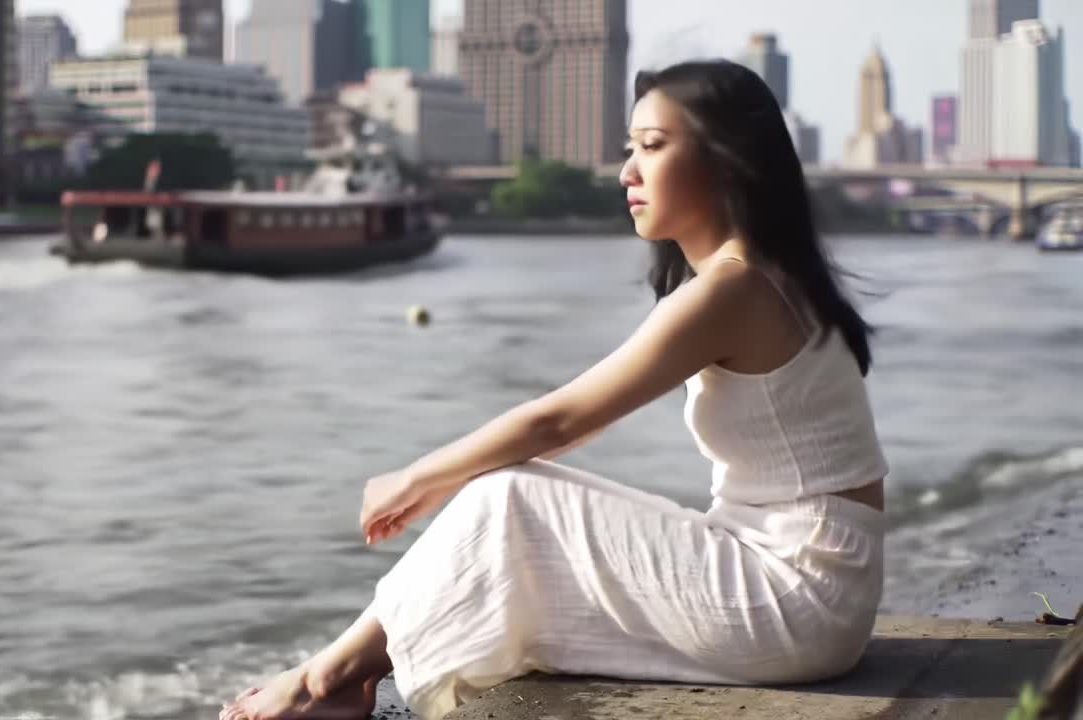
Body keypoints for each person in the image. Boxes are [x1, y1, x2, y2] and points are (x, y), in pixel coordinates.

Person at [220, 59, 889, 720]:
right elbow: (574, 428)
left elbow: (559, 422)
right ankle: (343, 672)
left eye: (652, 146)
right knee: (518, 501)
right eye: (630, 148)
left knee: (509, 498)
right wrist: (450, 479)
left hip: (799, 596)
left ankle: (327, 678)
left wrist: (417, 478)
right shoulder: (760, 275)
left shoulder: (735, 287)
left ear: (727, 161)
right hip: (807, 583)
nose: (627, 172)